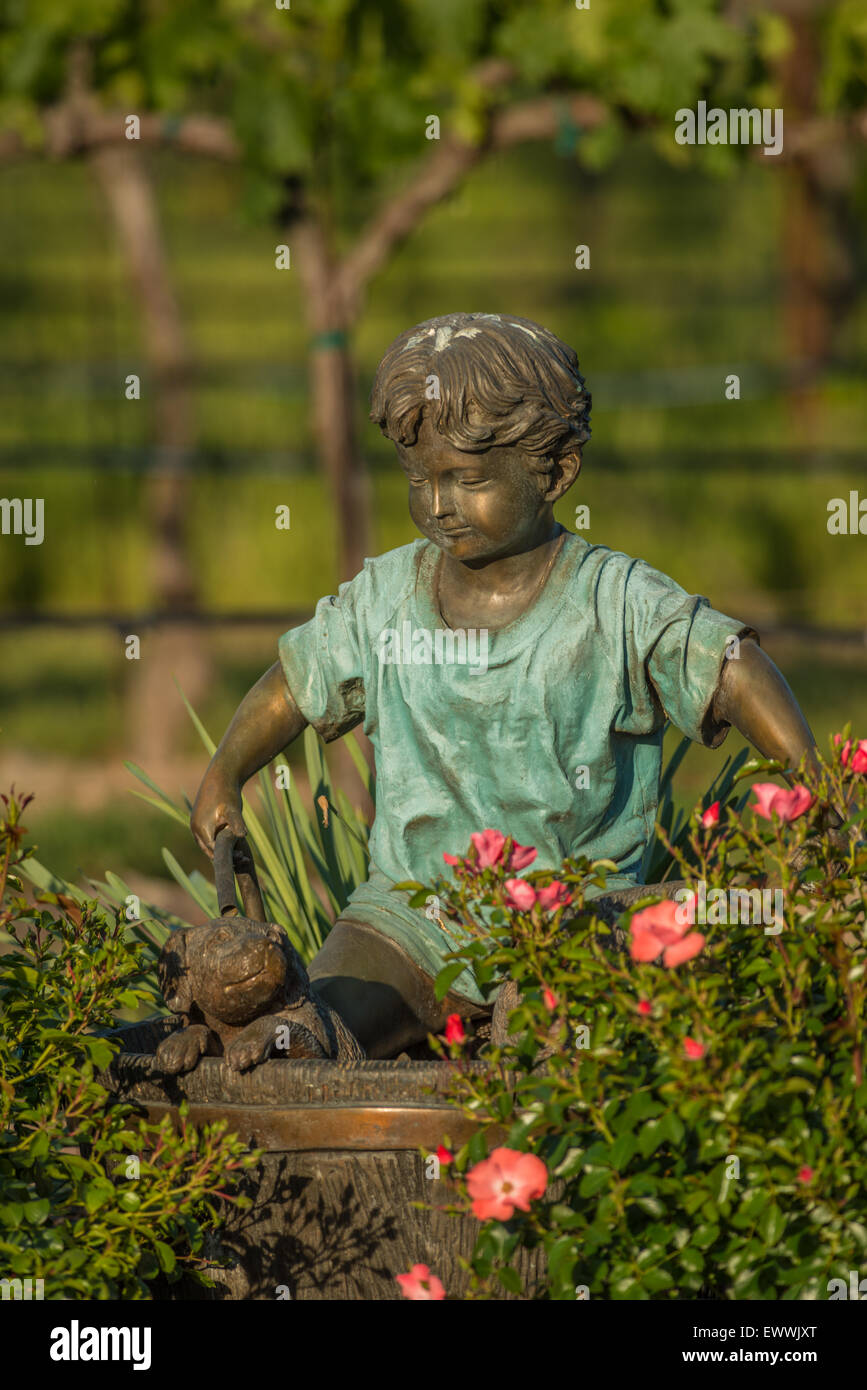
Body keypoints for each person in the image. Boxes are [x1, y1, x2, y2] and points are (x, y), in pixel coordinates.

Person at [191, 312, 819, 1058]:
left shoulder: (613, 602)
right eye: (417, 478)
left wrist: (813, 788)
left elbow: (730, 668)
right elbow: (292, 685)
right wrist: (226, 772)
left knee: (553, 1047)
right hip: (405, 920)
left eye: (465, 479)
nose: (436, 504)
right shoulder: (386, 597)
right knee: (308, 1035)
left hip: (571, 914)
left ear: (554, 474)